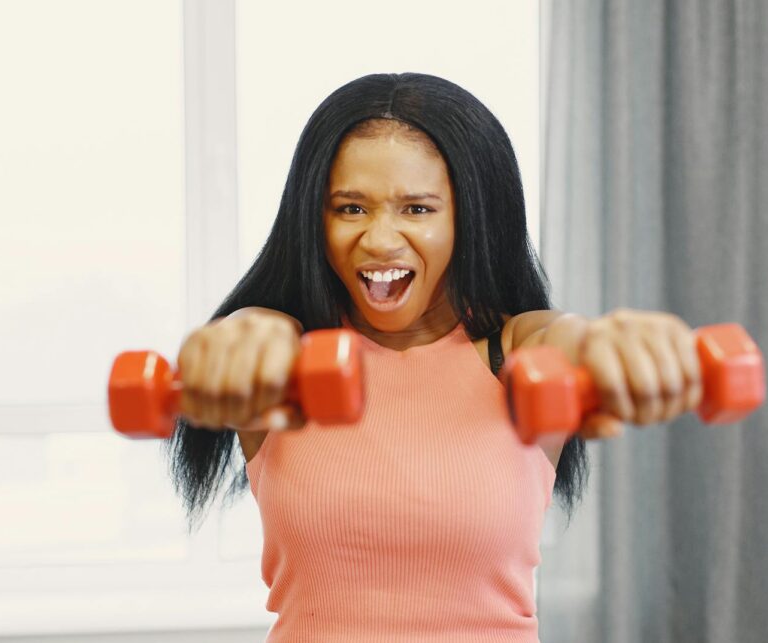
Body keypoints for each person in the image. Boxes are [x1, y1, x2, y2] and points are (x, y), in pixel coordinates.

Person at [166, 72, 702, 642]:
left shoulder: (518, 354)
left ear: (471, 218)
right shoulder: (282, 367)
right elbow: (257, 332)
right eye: (350, 208)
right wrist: (242, 332)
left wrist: (609, 346)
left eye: (417, 210)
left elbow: (570, 342)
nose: (379, 239)